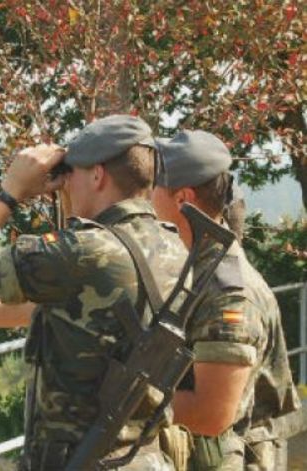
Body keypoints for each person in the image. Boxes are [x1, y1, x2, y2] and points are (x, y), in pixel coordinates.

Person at [0, 114, 189, 470]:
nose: (64, 183)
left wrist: (8, 192)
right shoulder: (171, 246)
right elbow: (83, 307)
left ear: (97, 175)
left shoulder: (87, 252)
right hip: (143, 458)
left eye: (72, 173)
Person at [152, 130, 300, 470]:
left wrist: (130, 402)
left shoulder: (228, 291)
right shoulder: (198, 266)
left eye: (154, 187)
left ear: (182, 199)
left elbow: (211, 414)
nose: (147, 197)